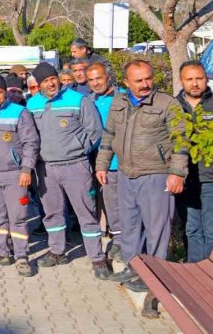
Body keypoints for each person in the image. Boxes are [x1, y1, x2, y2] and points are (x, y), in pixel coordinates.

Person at [99, 60, 188, 291]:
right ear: (126, 82)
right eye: (138, 81)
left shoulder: (167, 104)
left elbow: (181, 141)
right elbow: (109, 134)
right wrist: (102, 164)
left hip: (156, 175)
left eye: (148, 78)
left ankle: (155, 277)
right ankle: (134, 267)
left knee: (156, 229)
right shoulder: (119, 101)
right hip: (126, 174)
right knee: (129, 226)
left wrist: (177, 173)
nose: (145, 84)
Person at [27, 63, 109, 279]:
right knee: (52, 212)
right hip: (46, 168)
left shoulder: (78, 100)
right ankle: (57, 251)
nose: (51, 83)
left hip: (76, 166)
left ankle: (97, 257)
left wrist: (78, 149)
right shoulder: (33, 104)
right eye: (45, 81)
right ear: (39, 84)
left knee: (85, 211)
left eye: (53, 78)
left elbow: (95, 131)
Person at [0, 75, 39, 277]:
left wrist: (26, 169)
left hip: (15, 175)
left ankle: (21, 256)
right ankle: (1, 251)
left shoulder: (20, 112)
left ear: (5, 93)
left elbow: (31, 143)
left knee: (18, 217)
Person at [175, 60, 213, 263]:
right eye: (189, 79)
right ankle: (194, 271)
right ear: (182, 81)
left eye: (199, 78)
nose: (195, 83)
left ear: (206, 79)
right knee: (191, 229)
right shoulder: (173, 106)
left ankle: (211, 275)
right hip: (186, 180)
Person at [86, 62, 123, 262]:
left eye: (98, 78)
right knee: (111, 204)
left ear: (109, 77)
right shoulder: (88, 101)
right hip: (101, 164)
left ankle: (129, 241)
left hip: (123, 161)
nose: (95, 83)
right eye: (91, 80)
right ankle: (118, 240)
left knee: (128, 205)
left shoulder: (125, 98)